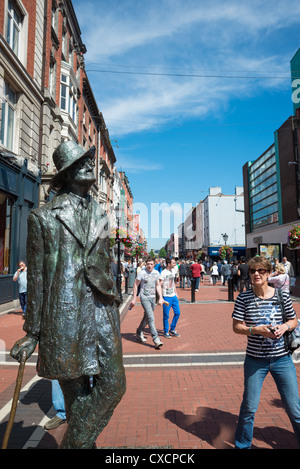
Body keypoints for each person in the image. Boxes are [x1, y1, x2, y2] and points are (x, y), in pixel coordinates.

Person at [10, 141, 125, 449]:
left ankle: (75, 443)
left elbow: (103, 259)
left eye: (89, 162)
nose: (90, 166)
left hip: (102, 308)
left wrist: (113, 292)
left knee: (114, 385)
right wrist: (32, 333)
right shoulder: (44, 218)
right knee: (75, 395)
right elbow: (37, 278)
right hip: (65, 315)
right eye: (82, 163)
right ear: (68, 173)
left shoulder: (99, 212)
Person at [232, 256, 300, 449]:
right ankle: (242, 445)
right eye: (253, 271)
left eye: (261, 271)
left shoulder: (281, 295)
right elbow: (237, 327)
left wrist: (284, 327)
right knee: (249, 407)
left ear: (269, 273)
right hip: (255, 361)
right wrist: (255, 330)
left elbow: (294, 321)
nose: (256, 274)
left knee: (294, 408)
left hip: (282, 359)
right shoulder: (243, 298)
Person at [130, 257, 164, 349]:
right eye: (148, 264)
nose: (149, 266)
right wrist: (134, 299)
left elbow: (158, 285)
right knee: (151, 318)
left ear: (154, 264)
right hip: (144, 298)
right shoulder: (142, 273)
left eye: (151, 264)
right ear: (146, 264)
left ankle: (139, 331)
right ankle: (156, 339)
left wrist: (160, 297)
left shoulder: (156, 273)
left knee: (147, 316)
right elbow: (135, 285)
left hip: (152, 298)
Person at [160, 258, 181, 338]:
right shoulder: (163, 273)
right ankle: (166, 331)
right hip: (166, 297)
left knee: (177, 312)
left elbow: (173, 283)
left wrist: (176, 293)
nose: (175, 264)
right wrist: (161, 297)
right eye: (173, 263)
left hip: (173, 296)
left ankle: (172, 329)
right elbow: (160, 284)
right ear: (168, 264)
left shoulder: (173, 271)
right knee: (166, 315)